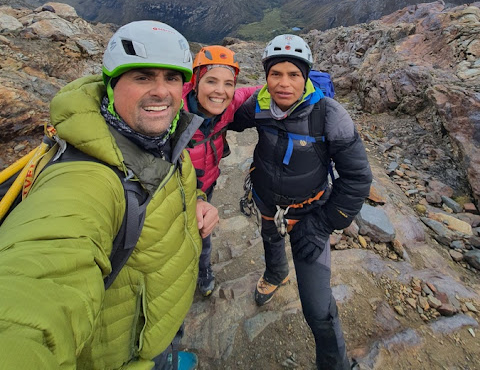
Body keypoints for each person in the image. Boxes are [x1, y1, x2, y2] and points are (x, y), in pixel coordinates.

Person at [0, 20, 219, 370]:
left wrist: (194, 203)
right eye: (143, 77)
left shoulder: (168, 139)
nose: (162, 92)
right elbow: (38, 285)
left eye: (172, 78)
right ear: (111, 83)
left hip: (153, 327)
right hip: (122, 356)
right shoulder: (87, 179)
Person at [230, 34, 372, 370]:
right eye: (275, 73)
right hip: (266, 199)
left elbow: (357, 177)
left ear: (305, 77)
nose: (283, 83)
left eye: (293, 74)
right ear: (265, 76)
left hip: (310, 213)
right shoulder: (259, 105)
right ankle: (276, 273)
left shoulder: (329, 115)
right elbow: (227, 120)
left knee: (317, 308)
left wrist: (324, 223)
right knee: (270, 238)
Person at [182, 45, 258, 296]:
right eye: (211, 81)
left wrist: (306, 86)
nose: (220, 91)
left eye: (228, 83)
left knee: (204, 232)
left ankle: (203, 270)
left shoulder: (229, 103)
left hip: (207, 184)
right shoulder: (172, 109)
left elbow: (256, 91)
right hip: (173, 192)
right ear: (195, 81)